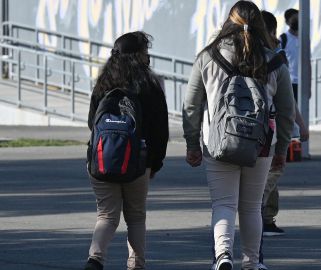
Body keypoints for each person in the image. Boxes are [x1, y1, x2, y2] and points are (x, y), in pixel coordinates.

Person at [182, 1, 295, 270]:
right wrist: (282, 149)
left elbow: (191, 105)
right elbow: (286, 110)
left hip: (218, 142)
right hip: (262, 144)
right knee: (252, 207)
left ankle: (223, 256)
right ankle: (252, 263)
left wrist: (192, 143)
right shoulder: (274, 59)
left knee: (223, 203)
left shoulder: (208, 56)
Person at [84, 31, 169, 270]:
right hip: (138, 162)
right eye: (145, 51)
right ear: (138, 55)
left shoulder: (103, 83)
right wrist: (155, 162)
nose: (148, 56)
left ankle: (95, 258)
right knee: (136, 216)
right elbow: (159, 130)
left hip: (102, 159)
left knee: (106, 215)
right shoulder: (150, 85)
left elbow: (93, 122)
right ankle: (136, 264)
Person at [260, 10, 309, 237]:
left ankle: (266, 217)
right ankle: (259, 209)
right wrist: (299, 125)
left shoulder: (237, 56)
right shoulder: (274, 58)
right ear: (270, 32)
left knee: (267, 170)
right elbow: (286, 104)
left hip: (237, 129)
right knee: (273, 169)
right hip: (267, 127)